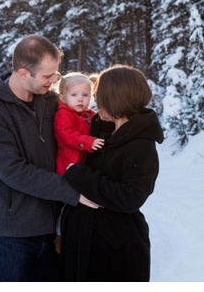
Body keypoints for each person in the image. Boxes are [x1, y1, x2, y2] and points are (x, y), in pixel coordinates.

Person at [0, 34, 98, 282]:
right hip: (12, 235)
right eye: (47, 76)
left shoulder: (52, 101)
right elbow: (14, 171)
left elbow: (83, 126)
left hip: (54, 229)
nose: (54, 81)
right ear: (23, 73)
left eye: (56, 74)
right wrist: (73, 192)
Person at [59, 64, 164, 282]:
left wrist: (79, 175)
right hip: (82, 240)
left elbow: (130, 197)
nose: (95, 102)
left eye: (100, 96)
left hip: (114, 250)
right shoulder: (102, 131)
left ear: (116, 99)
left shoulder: (141, 145)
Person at [54, 72, 104, 175]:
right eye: (74, 95)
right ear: (63, 98)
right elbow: (67, 135)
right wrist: (88, 142)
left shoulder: (90, 114)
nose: (80, 99)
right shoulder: (63, 114)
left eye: (85, 95)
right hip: (70, 163)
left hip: (86, 162)